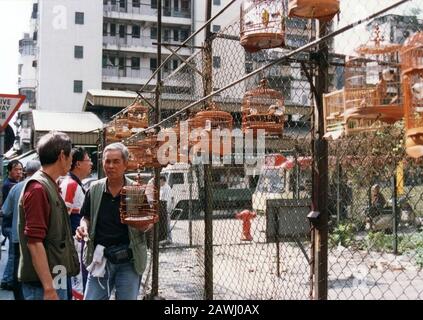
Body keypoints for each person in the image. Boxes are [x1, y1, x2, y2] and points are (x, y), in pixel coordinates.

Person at [76, 143, 150, 300]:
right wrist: (83, 228)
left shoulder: (136, 191)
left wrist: (143, 225)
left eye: (116, 161)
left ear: (125, 164)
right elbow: (86, 217)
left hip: (129, 260)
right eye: (107, 161)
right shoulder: (94, 189)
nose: (111, 166)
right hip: (100, 257)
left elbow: (146, 224)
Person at [18, 131, 79, 300]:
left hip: (55, 277)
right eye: (70, 155)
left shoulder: (48, 185)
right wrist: (49, 288)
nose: (72, 160)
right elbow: (34, 242)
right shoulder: (38, 188)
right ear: (62, 155)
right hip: (44, 284)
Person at [2, 160, 41, 300]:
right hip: (37, 238)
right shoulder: (42, 186)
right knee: (35, 268)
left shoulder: (16, 188)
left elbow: (5, 211)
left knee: (18, 267)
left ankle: (19, 296)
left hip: (17, 236)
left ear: (26, 171)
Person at [60, 147, 92, 299]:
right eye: (88, 160)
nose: (91, 163)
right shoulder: (70, 184)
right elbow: (62, 217)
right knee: (77, 283)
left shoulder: (76, 183)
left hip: (77, 243)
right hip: (73, 244)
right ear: (78, 164)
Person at [1, 160, 23, 291]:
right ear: (9, 171)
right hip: (10, 224)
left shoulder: (14, 184)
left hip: (9, 224)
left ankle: (6, 279)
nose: (19, 172)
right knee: (13, 255)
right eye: (16, 169)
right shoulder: (10, 185)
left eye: (20, 169)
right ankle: (8, 280)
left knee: (12, 254)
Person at [160, 176, 172, 244]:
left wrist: (166, 209)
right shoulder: (162, 188)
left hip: (166, 208)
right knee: (165, 224)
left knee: (167, 224)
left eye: (161, 181)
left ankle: (169, 238)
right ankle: (166, 238)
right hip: (162, 208)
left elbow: (167, 199)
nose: (160, 183)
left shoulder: (167, 188)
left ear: (163, 181)